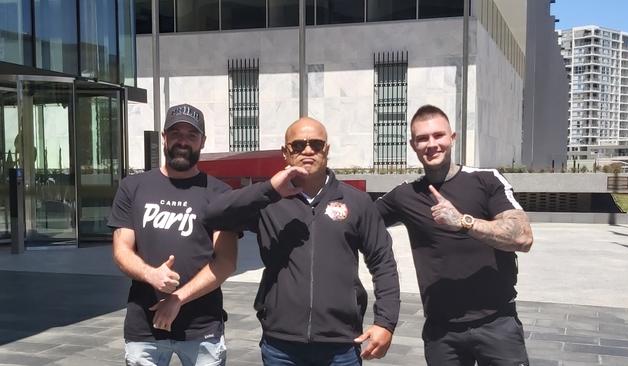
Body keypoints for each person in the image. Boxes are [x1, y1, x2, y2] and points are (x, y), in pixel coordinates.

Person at [205, 117, 401, 366]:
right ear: (285, 153)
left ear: (326, 150)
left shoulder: (357, 202)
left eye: (316, 144)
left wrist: (386, 321)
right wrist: (269, 189)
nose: (308, 150)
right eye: (298, 145)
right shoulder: (268, 202)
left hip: (340, 345)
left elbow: (382, 261)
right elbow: (213, 214)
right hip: (281, 346)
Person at [375, 105, 533, 366]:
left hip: (496, 324)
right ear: (413, 145)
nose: (431, 144)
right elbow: (358, 220)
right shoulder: (405, 195)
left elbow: (523, 237)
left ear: (452, 138)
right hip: (441, 331)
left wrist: (462, 221)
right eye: (422, 138)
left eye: (438, 135)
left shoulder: (486, 180)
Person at [108, 104, 238, 366]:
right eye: (176, 133)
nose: (183, 141)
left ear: (202, 141)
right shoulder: (133, 187)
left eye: (191, 135)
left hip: (202, 328)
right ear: (164, 138)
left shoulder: (220, 194)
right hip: (144, 327)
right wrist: (150, 274)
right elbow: (121, 250)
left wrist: (177, 299)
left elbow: (225, 262)